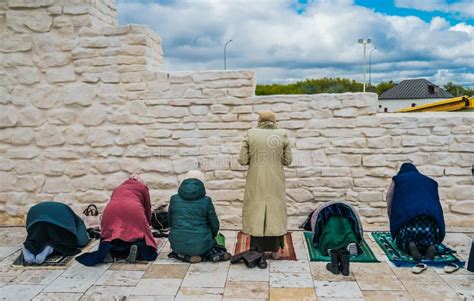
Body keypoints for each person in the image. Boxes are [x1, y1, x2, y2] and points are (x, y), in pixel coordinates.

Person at [238, 111, 292, 259]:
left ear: (259, 120)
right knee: (275, 210)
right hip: (276, 180)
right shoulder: (282, 134)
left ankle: (257, 249)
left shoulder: (250, 134)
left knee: (256, 209)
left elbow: (242, 160)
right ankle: (275, 250)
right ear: (274, 121)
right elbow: (288, 161)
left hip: (255, 179)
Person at [76, 174, 157, 266]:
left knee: (111, 235)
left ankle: (108, 251)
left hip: (111, 211)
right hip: (134, 210)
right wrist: (147, 225)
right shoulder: (142, 188)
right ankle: (137, 248)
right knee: (141, 236)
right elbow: (147, 207)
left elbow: (114, 201)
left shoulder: (118, 188)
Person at [168, 170, 230, 263]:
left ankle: (185, 257)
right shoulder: (206, 201)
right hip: (201, 244)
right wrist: (212, 236)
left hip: (177, 244)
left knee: (175, 252)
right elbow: (214, 224)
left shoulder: (174, 199)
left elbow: (170, 221)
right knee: (208, 245)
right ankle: (212, 256)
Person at [387, 162, 445, 261]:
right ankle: (431, 246)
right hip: (430, 222)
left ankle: (410, 245)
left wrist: (392, 217)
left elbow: (389, 197)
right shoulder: (430, 181)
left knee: (402, 238)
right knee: (430, 238)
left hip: (410, 221)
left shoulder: (399, 179)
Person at [23, 202, 89, 264]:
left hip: (35, 215)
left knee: (38, 235)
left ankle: (28, 245)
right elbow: (82, 241)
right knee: (69, 241)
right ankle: (51, 247)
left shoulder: (68, 212)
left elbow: (28, 228)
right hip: (58, 219)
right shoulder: (79, 221)